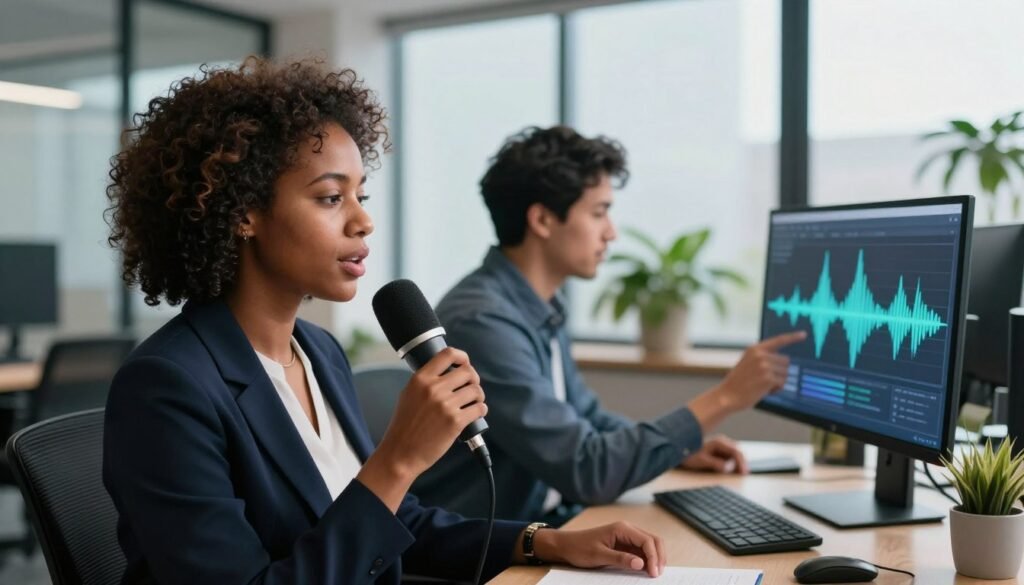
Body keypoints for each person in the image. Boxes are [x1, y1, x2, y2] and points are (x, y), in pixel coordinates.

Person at [102, 60, 669, 585]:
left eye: (361, 194)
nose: (364, 220)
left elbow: (394, 525)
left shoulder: (317, 351)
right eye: (330, 198)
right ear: (243, 212)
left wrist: (547, 543)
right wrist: (399, 458)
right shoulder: (166, 387)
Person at [412, 125, 807, 523]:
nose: (611, 232)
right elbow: (586, 470)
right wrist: (724, 398)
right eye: (599, 212)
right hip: (484, 559)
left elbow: (588, 421)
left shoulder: (537, 304)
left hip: (541, 528)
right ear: (543, 220)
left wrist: (681, 447)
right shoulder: (484, 321)